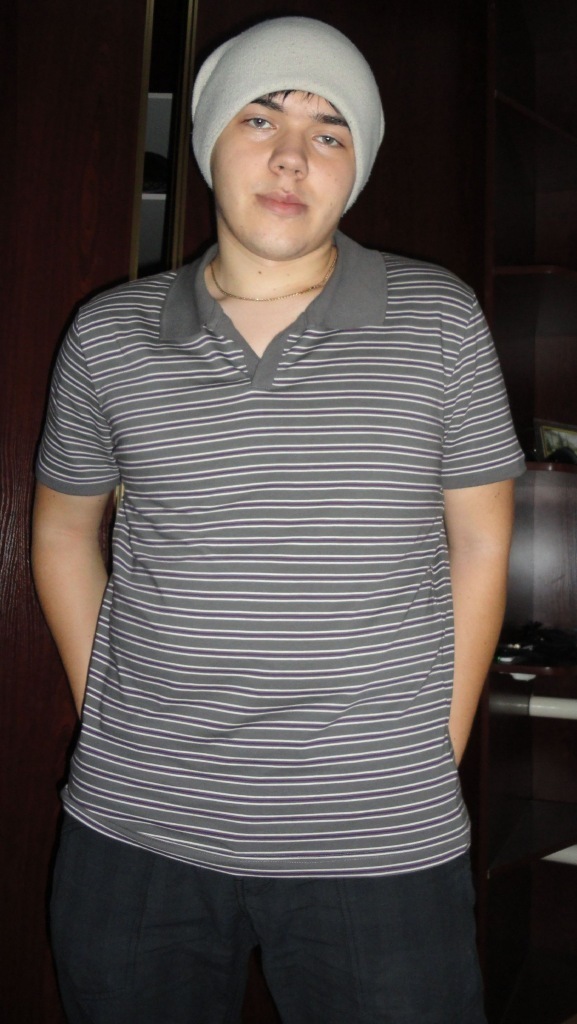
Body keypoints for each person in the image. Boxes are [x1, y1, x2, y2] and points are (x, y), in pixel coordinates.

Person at [32, 16, 525, 1024]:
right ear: (209, 139)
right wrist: (109, 711)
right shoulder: (108, 336)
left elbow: (480, 541)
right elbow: (60, 533)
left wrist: (435, 745)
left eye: (328, 131)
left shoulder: (439, 320)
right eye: (260, 118)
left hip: (379, 835)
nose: (292, 155)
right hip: (135, 830)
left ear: (357, 167)